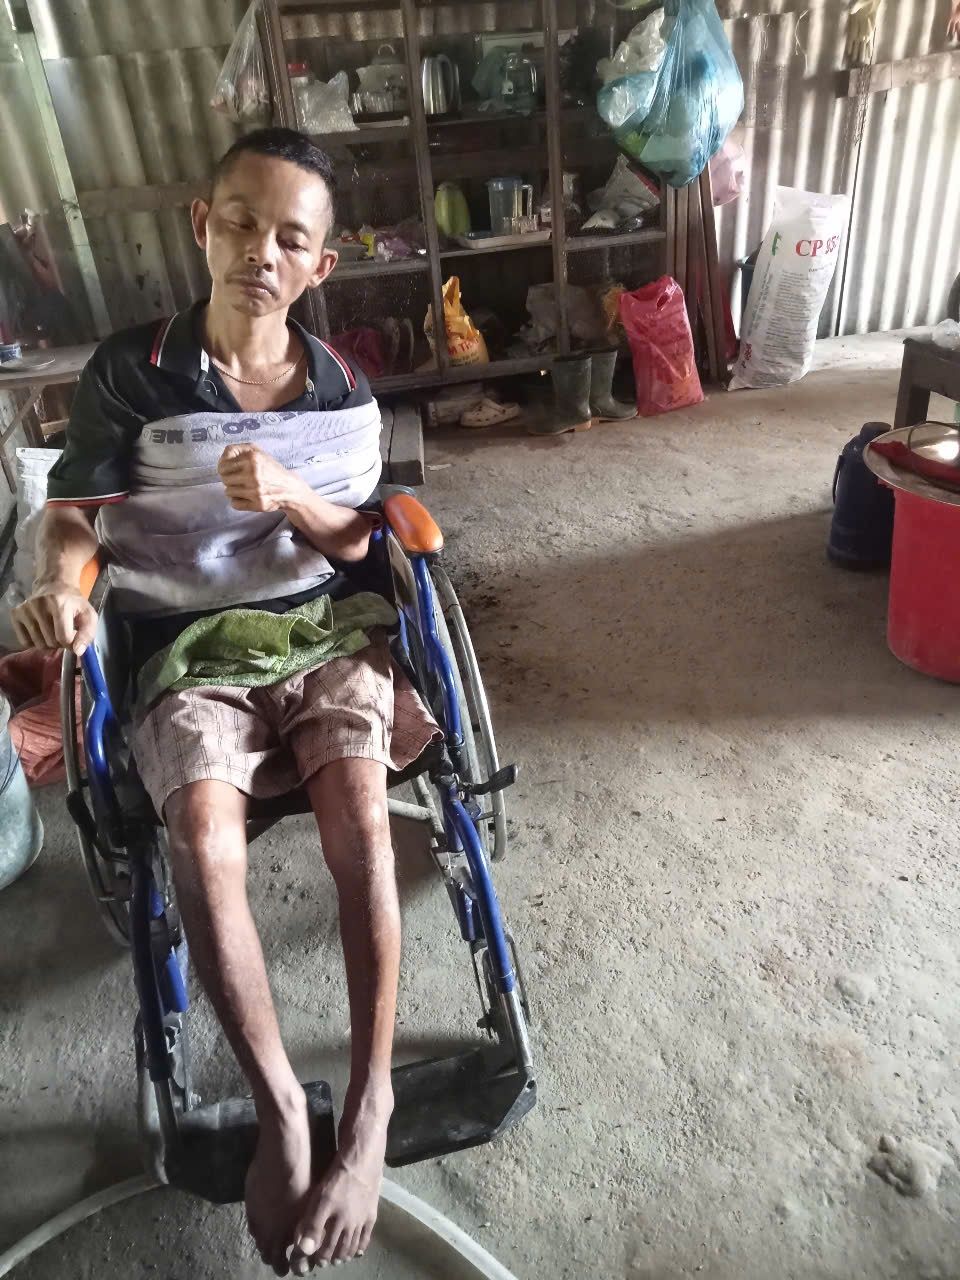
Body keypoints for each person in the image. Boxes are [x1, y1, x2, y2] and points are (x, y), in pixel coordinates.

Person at [12, 128, 439, 1276]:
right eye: (242, 223)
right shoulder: (132, 371)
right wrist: (62, 589)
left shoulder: (341, 389)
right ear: (204, 225)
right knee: (203, 840)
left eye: (291, 238)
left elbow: (359, 541)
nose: (262, 252)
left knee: (362, 818)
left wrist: (295, 495)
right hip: (183, 639)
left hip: (319, 626)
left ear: (320, 265)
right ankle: (281, 1105)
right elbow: (74, 517)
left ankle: (371, 1106)